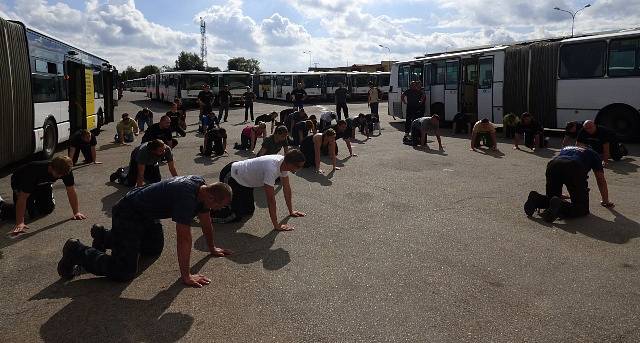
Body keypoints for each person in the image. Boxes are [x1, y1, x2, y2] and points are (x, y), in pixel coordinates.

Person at [56, 177, 233, 287]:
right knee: (124, 271)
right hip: (128, 212)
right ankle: (76, 250)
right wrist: (186, 276)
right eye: (220, 206)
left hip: (147, 213)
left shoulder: (202, 189)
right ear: (211, 197)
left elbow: (206, 221)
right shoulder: (186, 198)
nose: (219, 210)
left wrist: (212, 247)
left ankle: (105, 236)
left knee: (153, 249)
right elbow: (184, 239)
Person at [211, 150, 306, 227]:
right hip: (232, 175)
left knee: (248, 211)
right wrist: (276, 225)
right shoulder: (271, 169)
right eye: (298, 166)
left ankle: (225, 207)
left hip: (246, 181)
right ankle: (206, 212)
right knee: (235, 216)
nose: (300, 168)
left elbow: (287, 189)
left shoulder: (284, 164)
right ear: (289, 163)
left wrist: (291, 211)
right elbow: (271, 200)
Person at [524, 146, 614, 223]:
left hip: (553, 165)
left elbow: (562, 165)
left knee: (552, 199)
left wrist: (559, 195)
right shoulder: (594, 154)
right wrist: (605, 200)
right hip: (574, 167)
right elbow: (600, 179)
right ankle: (561, 206)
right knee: (582, 209)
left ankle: (536, 199)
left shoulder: (568, 147)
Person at [6, 156, 86, 236]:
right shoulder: (34, 170)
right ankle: (3, 206)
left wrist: (76, 212)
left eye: (62, 175)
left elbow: (71, 191)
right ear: (51, 167)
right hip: (21, 182)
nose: (60, 176)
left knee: (47, 209)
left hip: (43, 183)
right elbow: (23, 198)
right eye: (58, 174)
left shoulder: (65, 170)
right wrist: (20, 223)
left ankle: (36, 201)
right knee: (28, 212)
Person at [111, 140, 178, 187]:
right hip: (136, 159)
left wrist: (178, 182)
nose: (164, 152)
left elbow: (172, 168)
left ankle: (147, 176)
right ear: (153, 151)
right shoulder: (143, 152)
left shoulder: (167, 149)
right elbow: (140, 173)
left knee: (156, 181)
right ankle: (119, 173)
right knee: (130, 183)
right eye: (161, 151)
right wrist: (138, 191)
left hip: (152, 162)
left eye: (164, 149)